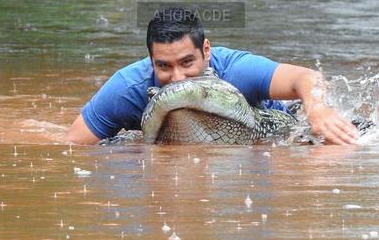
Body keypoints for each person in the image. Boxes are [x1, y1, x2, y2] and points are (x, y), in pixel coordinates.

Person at [66, 7, 359, 145]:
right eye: (164, 66)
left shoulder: (236, 69)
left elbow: (305, 77)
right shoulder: (127, 88)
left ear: (206, 51)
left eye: (187, 62)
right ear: (151, 60)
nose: (178, 78)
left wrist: (317, 108)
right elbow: (71, 147)